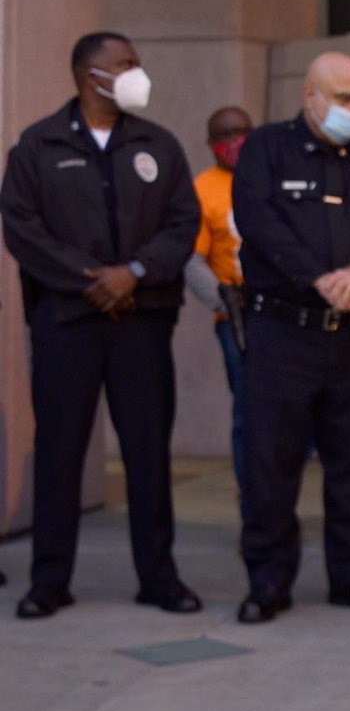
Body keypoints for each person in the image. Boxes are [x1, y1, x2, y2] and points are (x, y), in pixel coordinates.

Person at [0, 32, 202, 620]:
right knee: (59, 453)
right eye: (128, 65)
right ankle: (50, 581)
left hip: (142, 322)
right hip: (68, 322)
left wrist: (135, 273)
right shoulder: (37, 146)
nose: (139, 75)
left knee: (147, 453)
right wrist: (93, 279)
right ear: (92, 77)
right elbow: (23, 229)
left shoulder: (158, 144)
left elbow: (182, 222)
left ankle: (159, 578)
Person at [232, 51, 350, 624]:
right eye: (343, 98)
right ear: (310, 96)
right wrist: (317, 277)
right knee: (270, 464)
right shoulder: (266, 149)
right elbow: (259, 223)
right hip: (283, 335)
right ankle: (267, 580)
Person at [185, 105, 253, 503]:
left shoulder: (269, 175)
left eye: (242, 132)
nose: (234, 142)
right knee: (248, 412)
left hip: (282, 312)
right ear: (211, 144)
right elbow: (191, 259)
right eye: (224, 135)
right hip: (234, 317)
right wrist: (225, 304)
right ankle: (252, 505)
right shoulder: (202, 188)